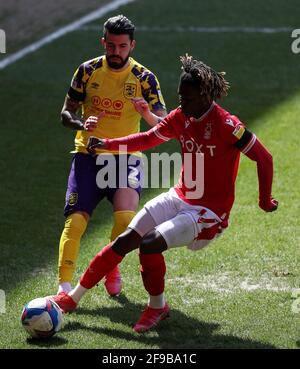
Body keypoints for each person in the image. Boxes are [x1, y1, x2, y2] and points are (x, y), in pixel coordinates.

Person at [49, 55, 278, 333]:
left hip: (208, 213)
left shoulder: (227, 125)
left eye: (188, 98)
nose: (181, 104)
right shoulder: (183, 116)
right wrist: (108, 143)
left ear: (205, 95)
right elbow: (147, 138)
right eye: (180, 97)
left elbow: (264, 158)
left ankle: (157, 306)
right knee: (125, 241)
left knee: (149, 243)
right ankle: (73, 298)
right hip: (179, 196)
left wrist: (264, 200)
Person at [56, 15, 167, 296]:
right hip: (88, 155)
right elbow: (65, 113)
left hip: (125, 157)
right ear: (103, 42)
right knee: (76, 221)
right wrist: (82, 123)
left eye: (122, 46)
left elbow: (164, 124)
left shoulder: (144, 78)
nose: (116, 52)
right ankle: (64, 287)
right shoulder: (87, 70)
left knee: (125, 218)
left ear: (132, 45)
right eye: (111, 45)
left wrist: (146, 114)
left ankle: (110, 267)